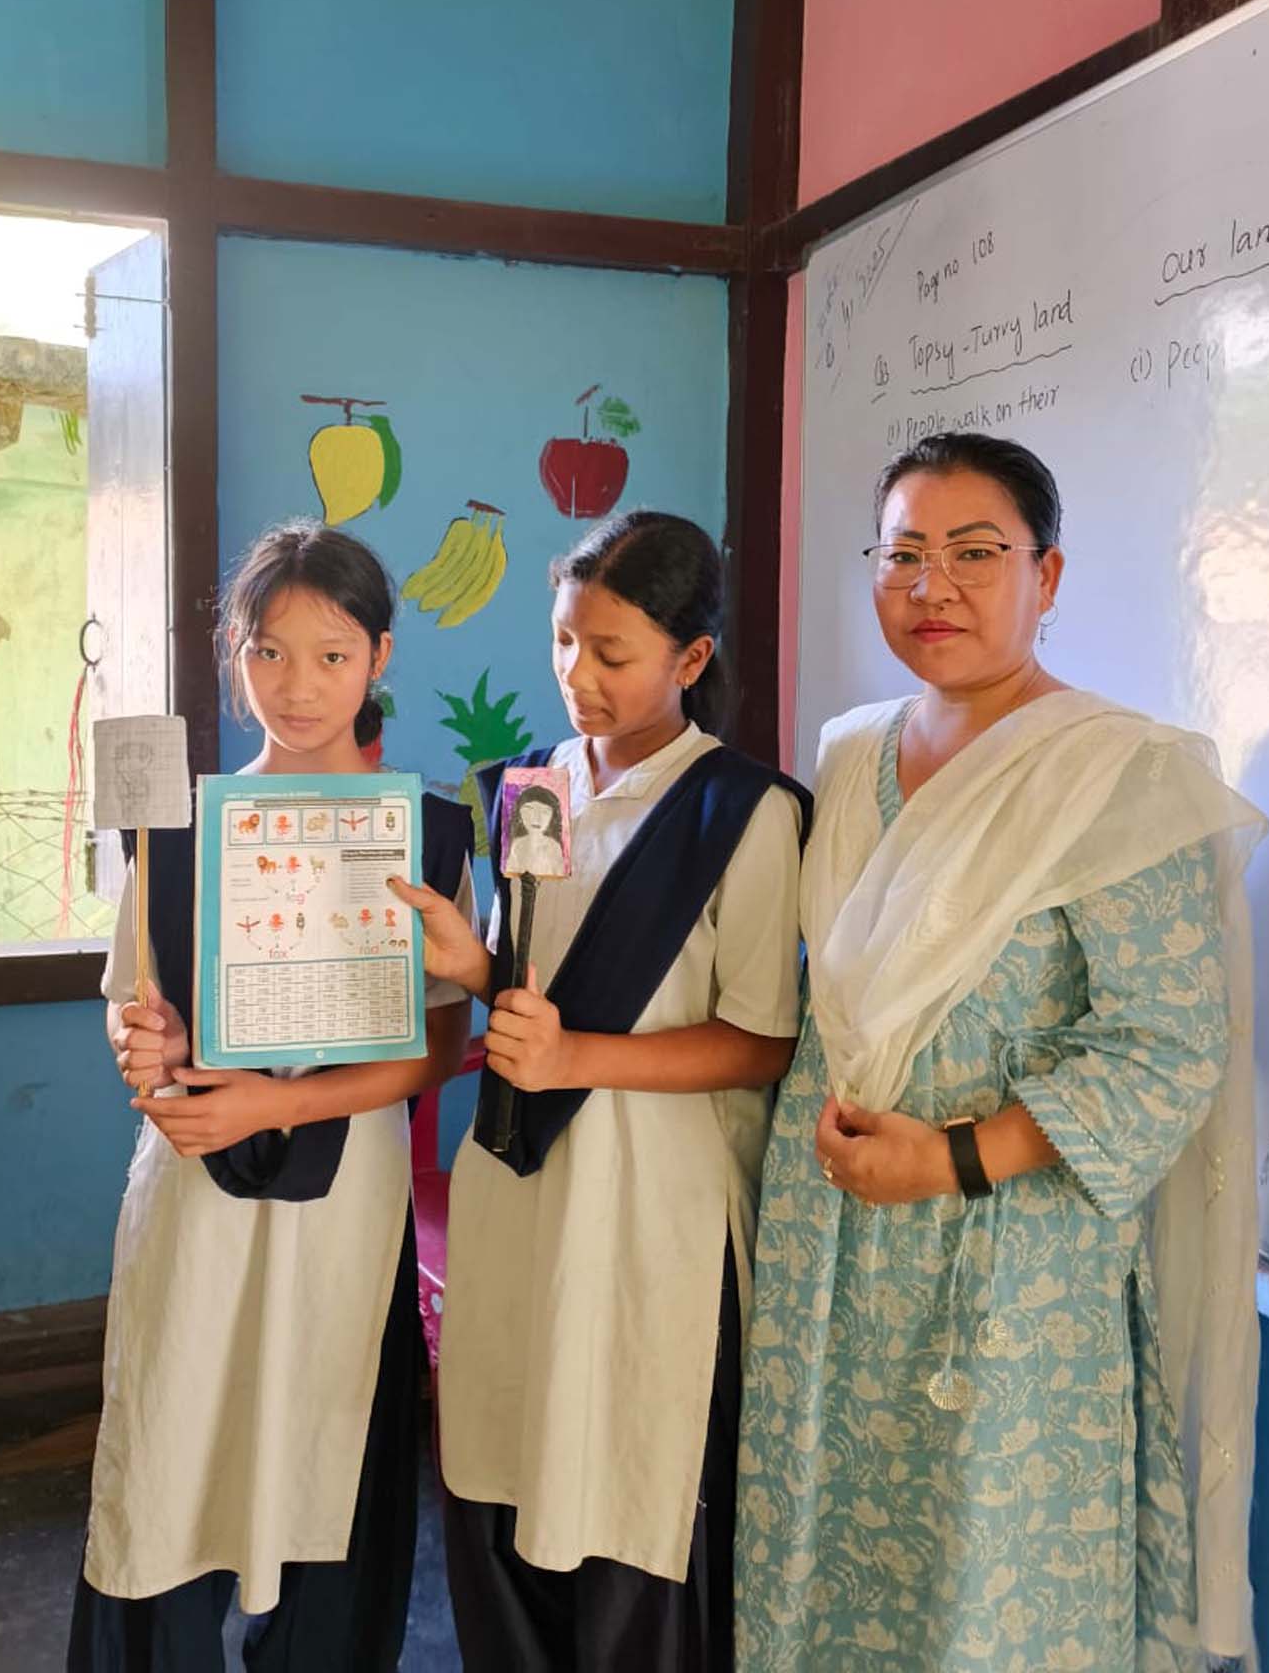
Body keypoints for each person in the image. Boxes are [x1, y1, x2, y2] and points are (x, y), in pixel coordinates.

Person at [736, 433, 1267, 1673]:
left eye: (975, 553)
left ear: (1048, 574)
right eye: (904, 554)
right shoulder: (850, 752)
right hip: (830, 1250)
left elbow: (1166, 1044)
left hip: (1009, 1271)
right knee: (819, 1567)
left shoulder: (1118, 773)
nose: (933, 587)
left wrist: (953, 1159)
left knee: (989, 1600)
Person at [394, 510, 809, 1673]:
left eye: (612, 652)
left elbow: (761, 1040)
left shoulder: (747, 811)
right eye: (564, 640)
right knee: (509, 1445)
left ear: (691, 656)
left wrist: (577, 1058)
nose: (578, 674)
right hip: (521, 1177)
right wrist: (474, 965)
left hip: (655, 1205)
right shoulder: (531, 787)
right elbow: (533, 981)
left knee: (631, 1468)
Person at [69, 521, 475, 1673]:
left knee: (323, 1452)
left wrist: (273, 1104)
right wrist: (146, 1049)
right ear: (233, 653)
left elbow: (439, 1045)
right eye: (269, 651)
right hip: (195, 1193)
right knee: (175, 1445)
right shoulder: (178, 826)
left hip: (346, 1206)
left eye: (332, 654)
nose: (297, 685)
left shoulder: (427, 831)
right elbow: (131, 1001)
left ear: (379, 656)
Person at [503, 783, 567, 880]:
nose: (536, 818)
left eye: (544, 812)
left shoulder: (554, 847)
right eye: (529, 811)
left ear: (553, 817)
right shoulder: (517, 845)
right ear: (519, 813)